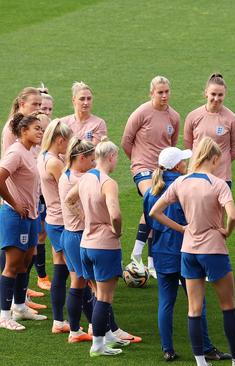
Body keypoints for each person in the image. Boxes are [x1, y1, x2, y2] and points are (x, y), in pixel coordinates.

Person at [149, 137, 235, 366]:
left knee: (193, 308)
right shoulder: (217, 184)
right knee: (228, 305)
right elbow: (234, 215)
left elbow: (155, 212)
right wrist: (226, 231)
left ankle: (200, 362)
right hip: (214, 249)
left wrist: (182, 229)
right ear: (214, 158)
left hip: (189, 251)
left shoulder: (180, 183)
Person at [143, 146, 231, 362]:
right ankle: (206, 348)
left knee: (166, 301)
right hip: (186, 249)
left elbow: (150, 220)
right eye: (182, 161)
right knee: (197, 302)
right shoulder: (185, 185)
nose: (186, 164)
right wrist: (183, 229)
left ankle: (168, 349)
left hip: (162, 251)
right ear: (176, 166)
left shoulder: (150, 191)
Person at [64, 139, 131, 356]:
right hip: (105, 246)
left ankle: (107, 336)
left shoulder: (85, 178)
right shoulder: (108, 182)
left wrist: (86, 218)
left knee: (95, 291)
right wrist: (117, 231)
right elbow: (116, 214)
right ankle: (98, 345)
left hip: (86, 244)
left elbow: (68, 199)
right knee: (104, 297)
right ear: (111, 156)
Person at [122, 76, 180, 277]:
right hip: (143, 169)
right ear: (151, 93)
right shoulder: (141, 113)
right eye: (159, 92)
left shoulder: (174, 117)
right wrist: (137, 163)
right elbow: (126, 141)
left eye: (166, 92)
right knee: (153, 201)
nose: (164, 96)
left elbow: (171, 145)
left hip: (162, 171)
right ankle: (138, 254)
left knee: (157, 208)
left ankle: (150, 261)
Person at [0, 113, 46, 331]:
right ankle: (3, 314)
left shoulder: (31, 151)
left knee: (25, 262)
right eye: (36, 128)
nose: (40, 131)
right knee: (12, 266)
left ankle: (20, 306)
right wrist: (14, 203)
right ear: (23, 131)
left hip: (31, 216)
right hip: (15, 216)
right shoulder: (16, 152)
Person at [37, 120, 73, 333]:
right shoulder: (55, 163)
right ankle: (78, 323)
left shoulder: (43, 157)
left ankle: (59, 320)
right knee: (77, 274)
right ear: (60, 140)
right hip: (63, 221)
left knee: (60, 271)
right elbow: (68, 192)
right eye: (67, 142)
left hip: (52, 219)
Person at [59, 138, 96, 343]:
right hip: (78, 235)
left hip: (68, 234)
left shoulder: (67, 174)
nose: (92, 164)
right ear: (80, 158)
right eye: (90, 159)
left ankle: (81, 328)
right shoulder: (78, 179)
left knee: (80, 282)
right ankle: (80, 330)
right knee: (84, 282)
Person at [184, 73, 235, 187]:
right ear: (206, 93)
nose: (216, 98)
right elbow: (188, 145)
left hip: (221, 177)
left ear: (225, 94)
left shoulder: (232, 119)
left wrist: (218, 161)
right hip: (196, 174)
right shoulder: (193, 116)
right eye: (213, 94)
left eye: (220, 95)